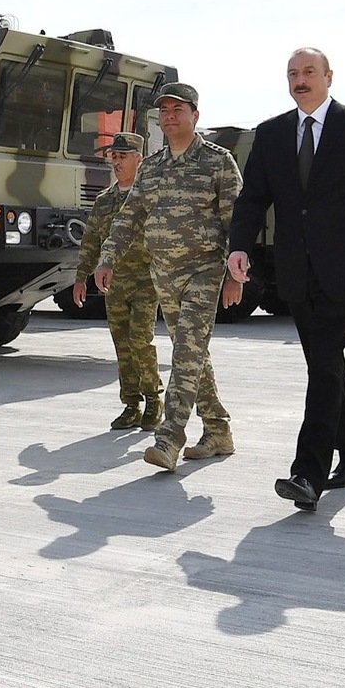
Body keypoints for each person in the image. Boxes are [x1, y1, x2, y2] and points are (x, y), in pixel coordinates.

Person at [227, 47, 345, 513]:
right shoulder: (272, 133)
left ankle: (308, 473)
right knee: (327, 364)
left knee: (322, 366)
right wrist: (238, 246)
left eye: (308, 72)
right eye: (292, 74)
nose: (300, 80)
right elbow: (252, 198)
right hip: (295, 272)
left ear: (328, 77)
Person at [94, 83, 244, 471]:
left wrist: (234, 274)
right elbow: (130, 217)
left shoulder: (217, 161)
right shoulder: (153, 167)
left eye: (178, 109)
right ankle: (218, 431)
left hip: (205, 270)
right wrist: (107, 258)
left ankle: (169, 438)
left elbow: (237, 223)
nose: (170, 115)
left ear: (195, 115)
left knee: (186, 353)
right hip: (164, 275)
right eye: (164, 110)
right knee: (194, 355)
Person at [73, 131, 162, 431]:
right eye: (114, 156)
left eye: (123, 156)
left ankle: (153, 399)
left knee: (140, 339)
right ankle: (131, 404)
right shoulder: (105, 200)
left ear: (140, 159)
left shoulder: (151, 196)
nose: (117, 162)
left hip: (146, 280)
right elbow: (91, 241)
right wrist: (80, 278)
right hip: (114, 284)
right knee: (122, 344)